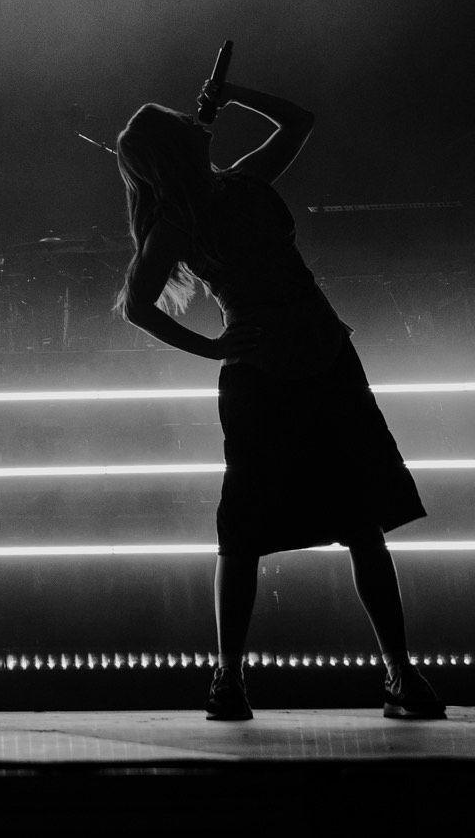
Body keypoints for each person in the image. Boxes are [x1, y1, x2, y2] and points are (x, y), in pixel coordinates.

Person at [115, 80, 444, 721]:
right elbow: (135, 306)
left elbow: (301, 120)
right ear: (180, 147)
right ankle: (237, 681)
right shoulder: (190, 215)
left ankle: (387, 675)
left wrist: (231, 91)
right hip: (284, 370)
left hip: (314, 361)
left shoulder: (223, 193)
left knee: (351, 524)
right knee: (260, 531)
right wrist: (213, 350)